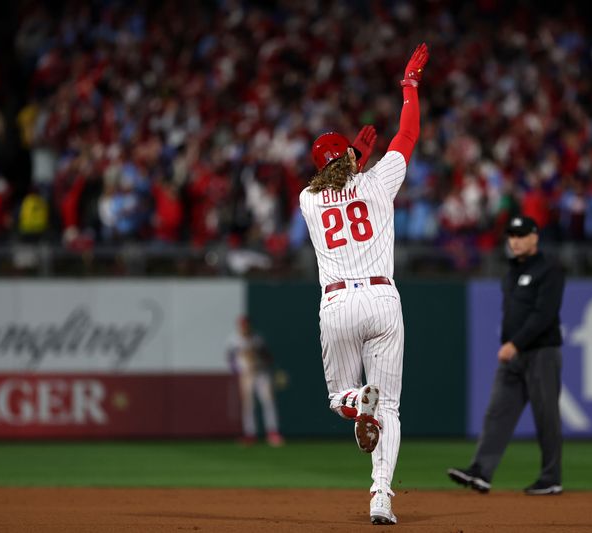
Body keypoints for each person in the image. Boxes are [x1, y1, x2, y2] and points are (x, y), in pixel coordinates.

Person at [299, 43, 429, 526]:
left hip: (337, 303)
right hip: (381, 297)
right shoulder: (378, 183)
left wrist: (349, 153)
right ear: (354, 160)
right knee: (391, 406)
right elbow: (408, 133)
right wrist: (409, 86)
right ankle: (381, 498)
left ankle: (356, 402)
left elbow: (329, 178)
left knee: (339, 400)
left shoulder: (307, 202)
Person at [448, 215, 566, 496]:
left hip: (541, 352)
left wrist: (516, 343)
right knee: (497, 413)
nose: (515, 240)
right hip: (513, 356)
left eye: (521, 235)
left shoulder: (550, 268)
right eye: (511, 236)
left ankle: (551, 477)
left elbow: (544, 314)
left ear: (534, 237)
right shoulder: (512, 270)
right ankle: (481, 472)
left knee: (546, 416)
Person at [226, 315, 284, 447]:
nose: (245, 327)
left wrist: (269, 367)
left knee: (268, 401)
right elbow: (230, 359)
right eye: (242, 325)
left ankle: (272, 432)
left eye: (246, 324)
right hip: (246, 375)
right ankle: (250, 434)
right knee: (248, 405)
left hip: (261, 373)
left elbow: (267, 356)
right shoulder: (233, 340)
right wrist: (238, 371)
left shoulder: (257, 338)